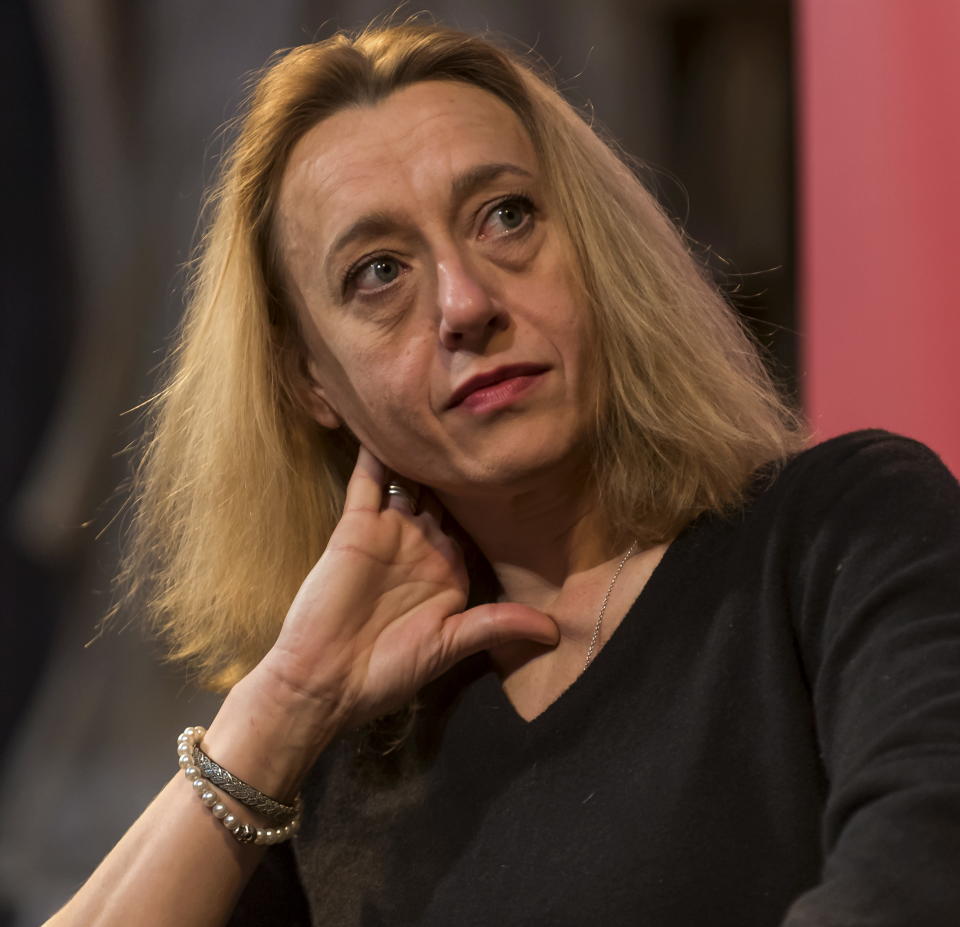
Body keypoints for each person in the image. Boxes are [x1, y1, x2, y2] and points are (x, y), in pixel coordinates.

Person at [47, 20, 960, 927]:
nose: (466, 303)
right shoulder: (338, 738)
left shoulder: (845, 530)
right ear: (312, 381)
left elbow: (919, 877)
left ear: (593, 249)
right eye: (377, 273)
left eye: (506, 216)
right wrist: (283, 703)